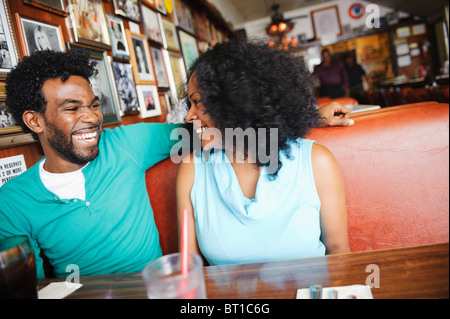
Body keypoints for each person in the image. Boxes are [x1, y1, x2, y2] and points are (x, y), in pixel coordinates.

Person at [0, 50, 183, 279]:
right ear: (35, 121)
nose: (92, 118)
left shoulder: (125, 144)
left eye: (94, 105)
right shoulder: (12, 201)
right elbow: (29, 288)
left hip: (154, 289)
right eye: (72, 108)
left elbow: (204, 132)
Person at [176, 40, 351, 267]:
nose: (189, 116)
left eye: (197, 102)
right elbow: (189, 266)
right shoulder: (192, 168)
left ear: (236, 99)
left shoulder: (317, 162)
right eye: (190, 103)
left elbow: (338, 250)